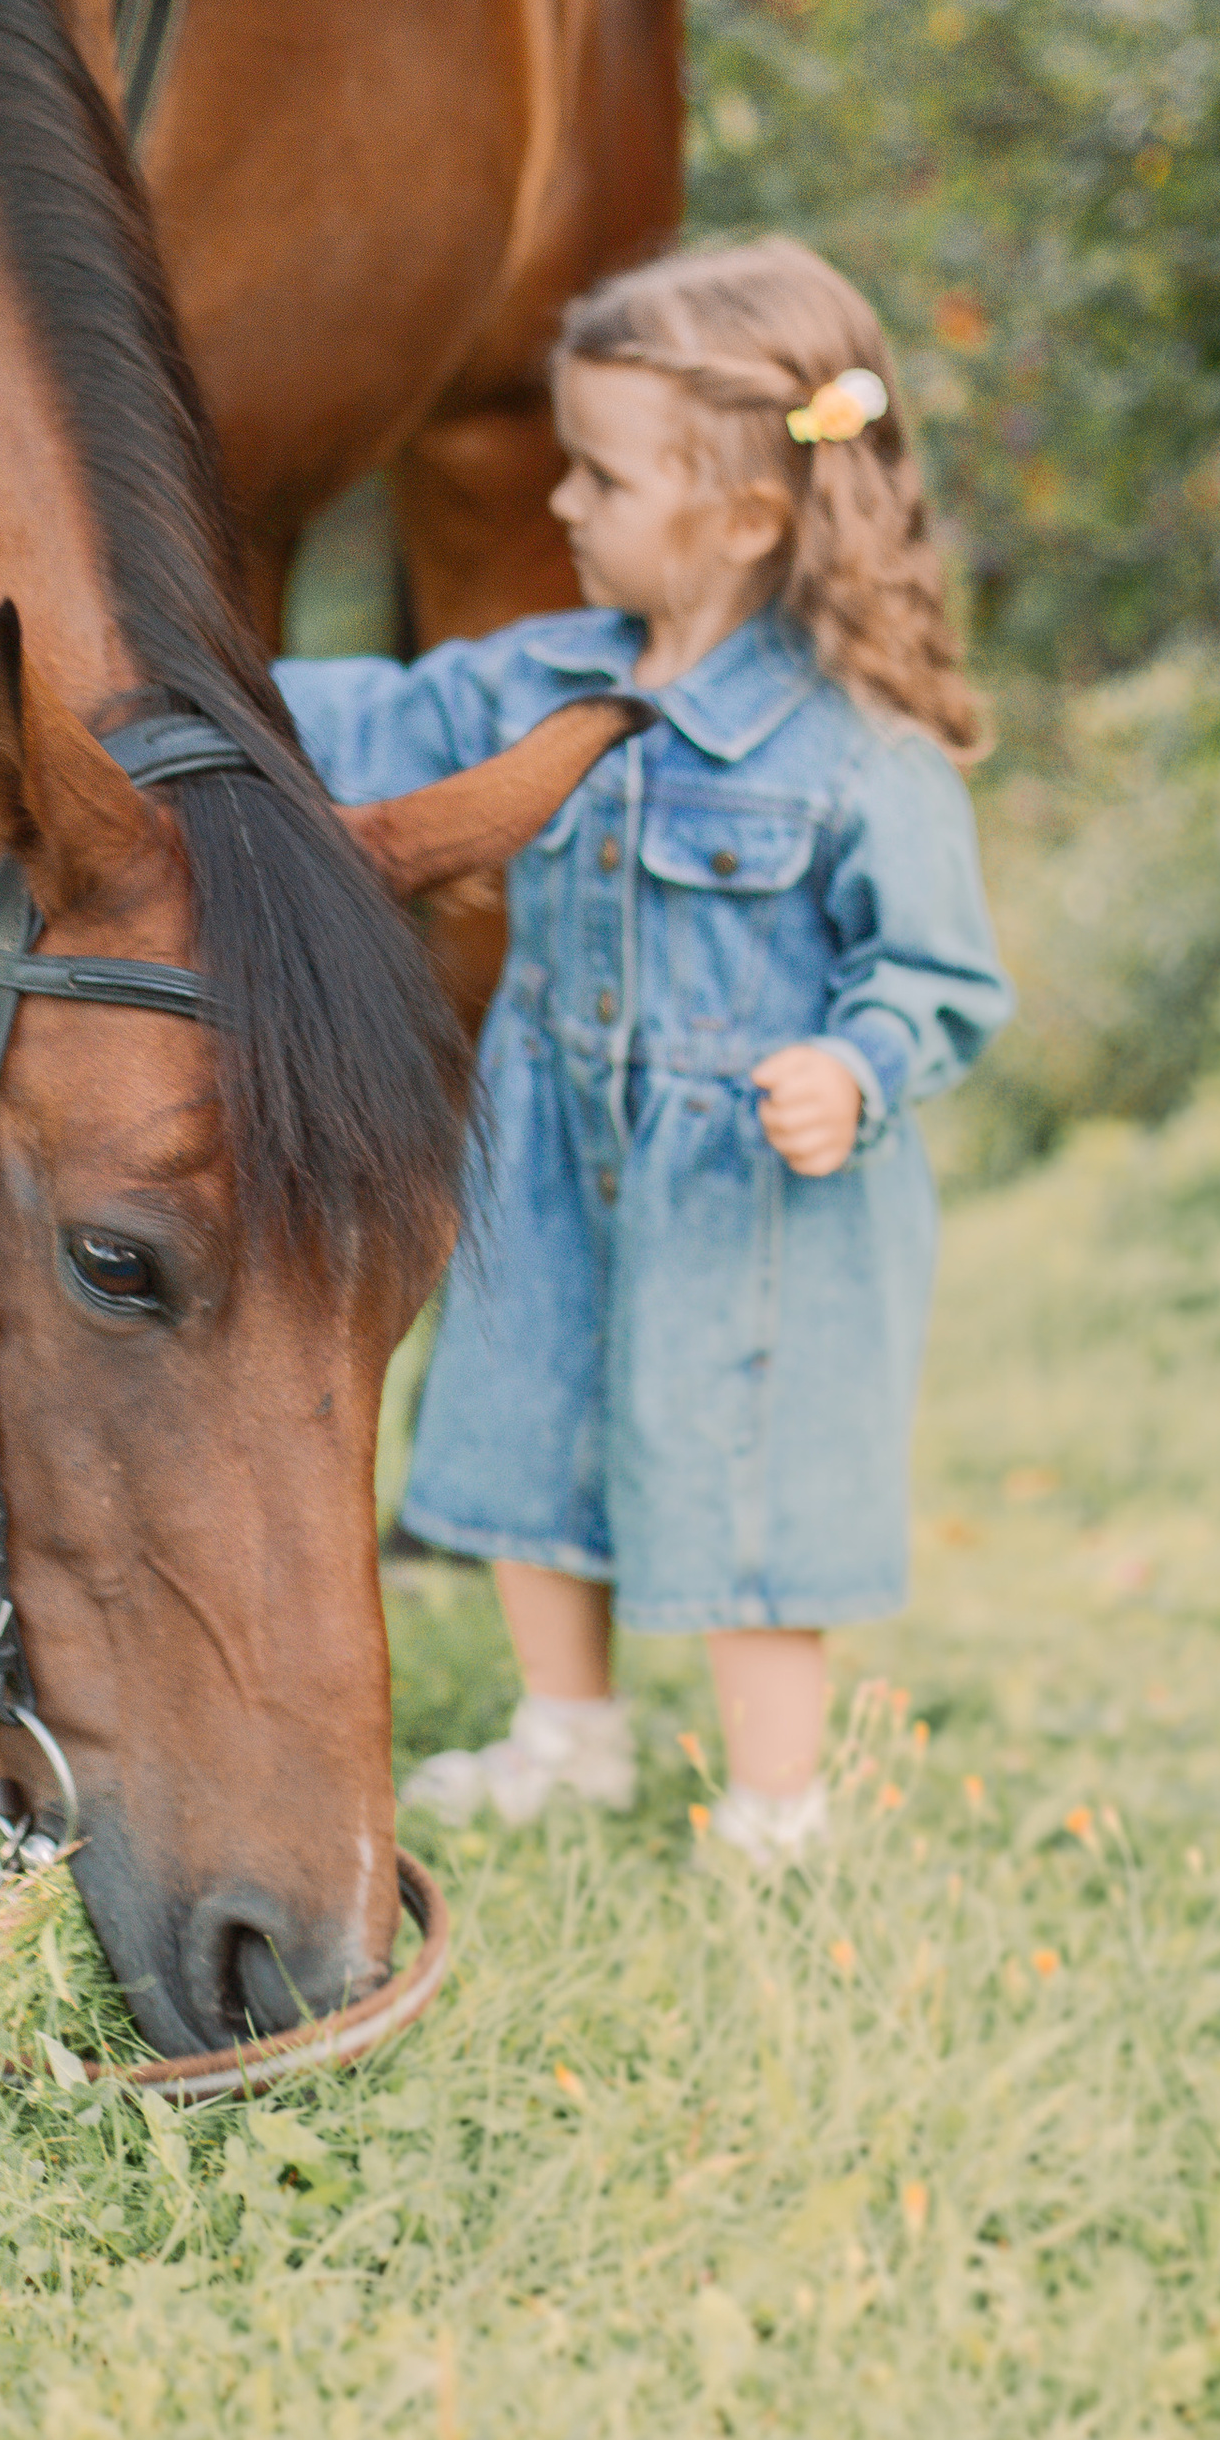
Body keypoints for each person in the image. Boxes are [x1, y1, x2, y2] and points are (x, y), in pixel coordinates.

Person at [278, 235, 1014, 1867]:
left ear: (745, 513)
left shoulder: (860, 750)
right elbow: (364, 715)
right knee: (532, 1417)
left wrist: (855, 1068)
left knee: (753, 1475)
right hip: (547, 1147)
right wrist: (155, 668)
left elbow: (941, 975)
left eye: (599, 477)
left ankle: (775, 1802)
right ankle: (571, 1732)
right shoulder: (544, 680)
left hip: (747, 1194)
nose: (561, 507)